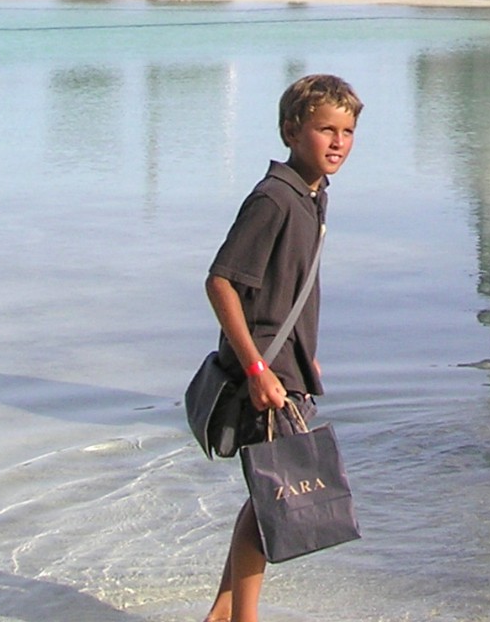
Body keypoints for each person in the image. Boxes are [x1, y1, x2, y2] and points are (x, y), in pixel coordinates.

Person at [201, 74, 362, 622]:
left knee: (268, 494)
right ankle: (239, 618)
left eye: (347, 131)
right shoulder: (274, 198)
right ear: (292, 132)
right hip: (264, 375)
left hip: (285, 366)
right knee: (275, 497)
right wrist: (256, 367)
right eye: (325, 130)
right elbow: (221, 282)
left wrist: (303, 351)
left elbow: (288, 284)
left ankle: (224, 611)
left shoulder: (312, 194)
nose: (338, 142)